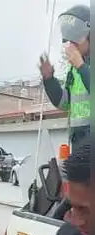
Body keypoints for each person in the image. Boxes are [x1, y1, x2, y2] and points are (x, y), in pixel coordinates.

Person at [39, 4, 91, 151]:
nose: (71, 45)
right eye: (69, 40)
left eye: (76, 38)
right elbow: (64, 103)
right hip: (79, 140)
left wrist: (81, 66)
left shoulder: (80, 66)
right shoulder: (75, 69)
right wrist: (49, 80)